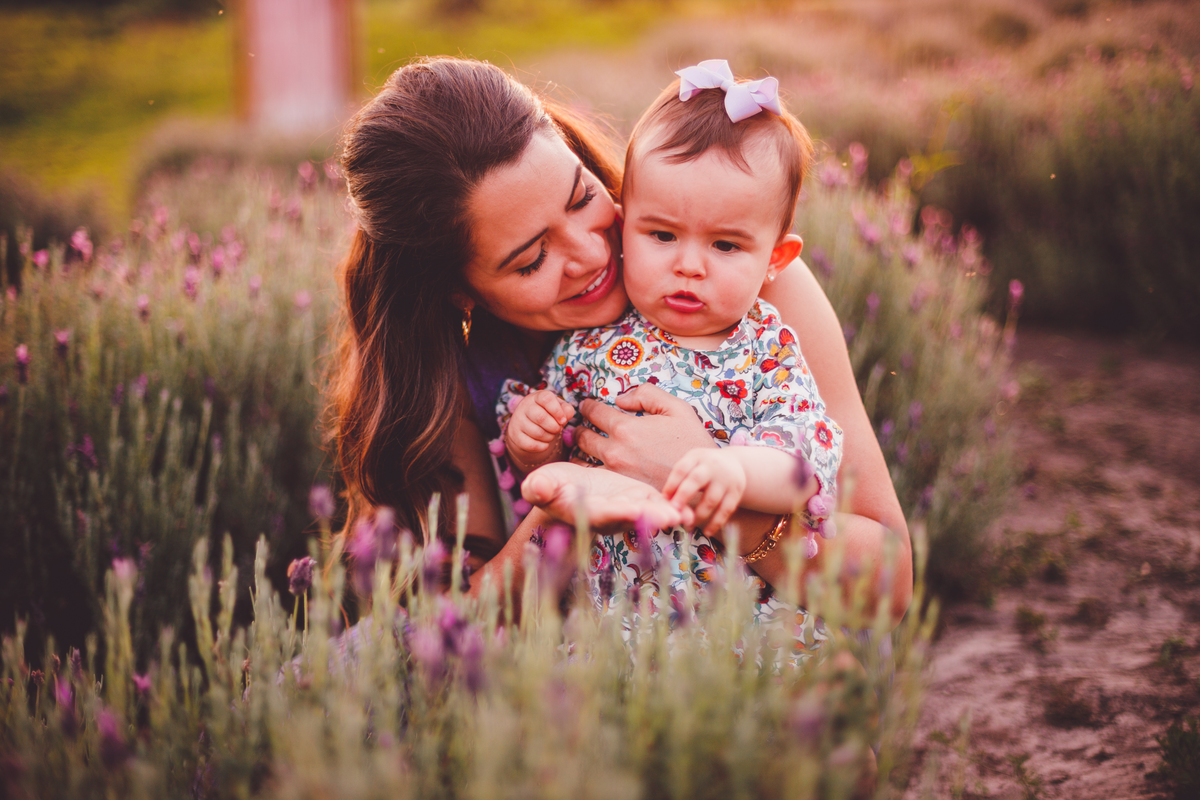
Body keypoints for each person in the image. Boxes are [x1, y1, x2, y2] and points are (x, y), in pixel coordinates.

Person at [328, 56, 911, 624]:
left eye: (582, 198)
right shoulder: (452, 371)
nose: (592, 253)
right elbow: (450, 624)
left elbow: (891, 585)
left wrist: (696, 479)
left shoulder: (748, 289)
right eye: (533, 260)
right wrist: (562, 521)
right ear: (459, 292)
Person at [496, 61, 842, 627]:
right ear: (624, 226)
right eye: (661, 235)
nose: (687, 265)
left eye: (726, 246)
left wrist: (730, 471)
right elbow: (560, 444)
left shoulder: (766, 347)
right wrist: (531, 439)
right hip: (615, 624)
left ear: (775, 260)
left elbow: (806, 467)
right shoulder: (589, 343)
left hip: (732, 625)